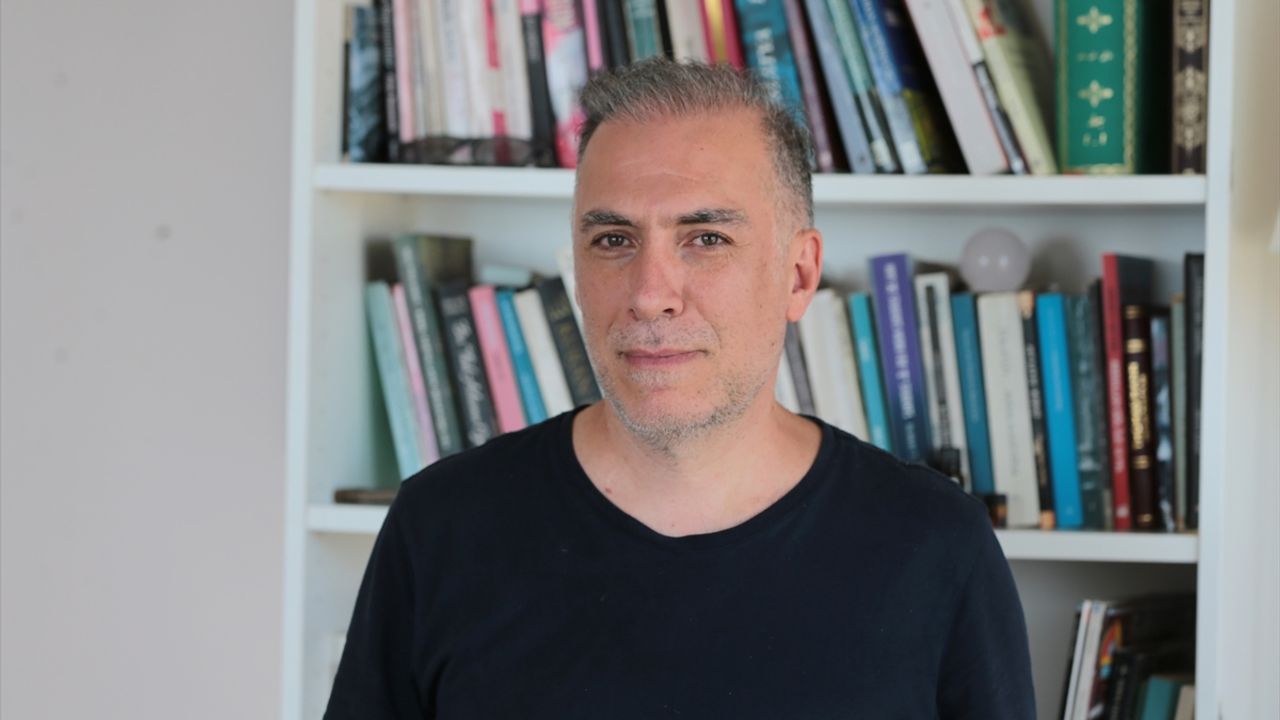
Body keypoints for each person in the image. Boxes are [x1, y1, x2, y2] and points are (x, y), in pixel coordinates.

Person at [325, 59, 1035, 719]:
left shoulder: (935, 547)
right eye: (613, 240)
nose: (649, 294)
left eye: (706, 239)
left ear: (798, 275)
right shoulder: (441, 528)